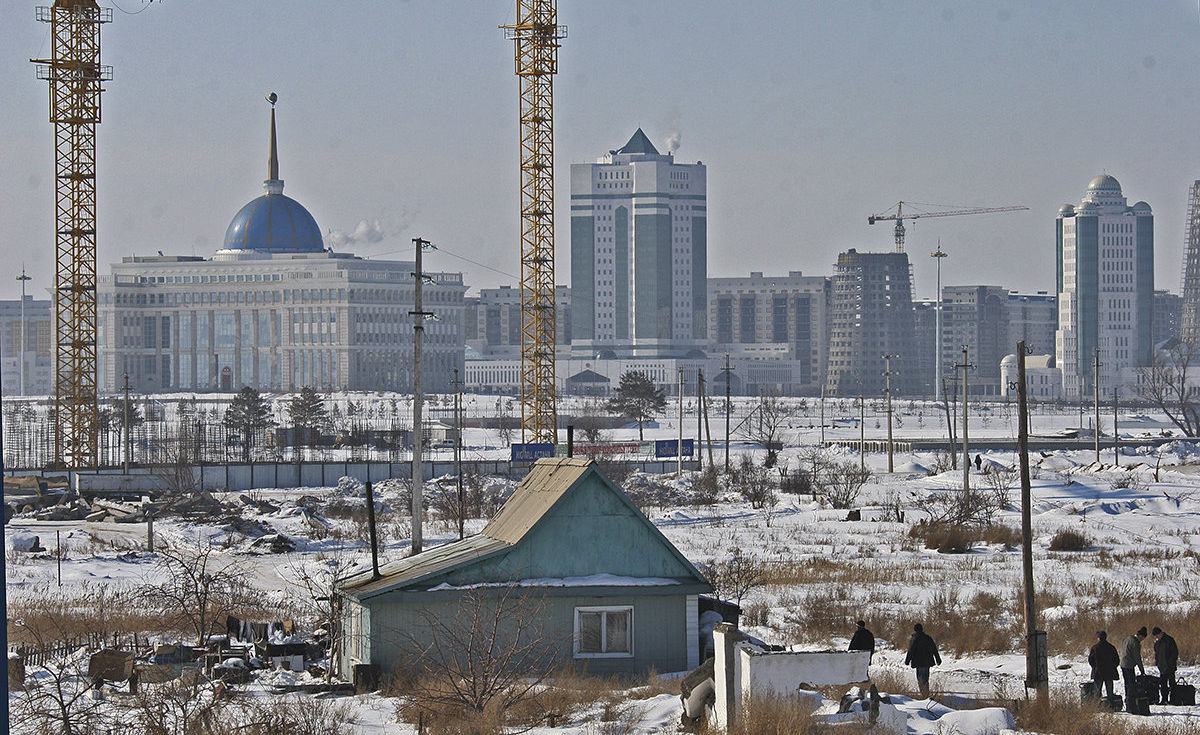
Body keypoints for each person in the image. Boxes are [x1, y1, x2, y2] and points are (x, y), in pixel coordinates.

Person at [904, 623, 941, 698]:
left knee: (920, 678)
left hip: (918, 662)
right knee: (926, 678)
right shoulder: (928, 638)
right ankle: (926, 693)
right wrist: (938, 659)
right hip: (927, 662)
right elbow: (934, 649)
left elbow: (911, 650)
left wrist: (907, 660)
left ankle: (924, 694)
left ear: (915, 630)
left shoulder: (914, 638)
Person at [1121, 626, 1148, 713]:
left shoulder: (1127, 638)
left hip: (1123, 664)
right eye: (1143, 638)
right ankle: (1131, 703)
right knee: (1131, 685)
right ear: (1141, 636)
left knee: (1126, 684)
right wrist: (1142, 670)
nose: (1142, 640)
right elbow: (1137, 657)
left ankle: (1127, 700)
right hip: (1129, 666)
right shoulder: (1136, 643)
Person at [1087, 630, 1120, 698]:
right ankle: (1111, 706)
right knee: (1110, 692)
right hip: (1109, 673)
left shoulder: (1095, 648)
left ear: (1098, 638)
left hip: (1098, 673)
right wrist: (1112, 667)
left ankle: (1097, 707)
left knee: (1097, 693)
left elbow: (1091, 660)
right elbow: (1116, 660)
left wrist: (1095, 667)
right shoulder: (1111, 647)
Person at [1153, 627, 1179, 706]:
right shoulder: (1158, 643)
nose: (1156, 637)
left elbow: (1175, 653)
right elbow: (1156, 653)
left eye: (1157, 635)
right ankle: (1164, 699)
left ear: (1160, 633)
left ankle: (1174, 699)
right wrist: (1157, 663)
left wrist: (1170, 663)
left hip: (1170, 666)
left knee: (1172, 683)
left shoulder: (1169, 640)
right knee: (1163, 684)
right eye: (1155, 636)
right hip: (1162, 667)